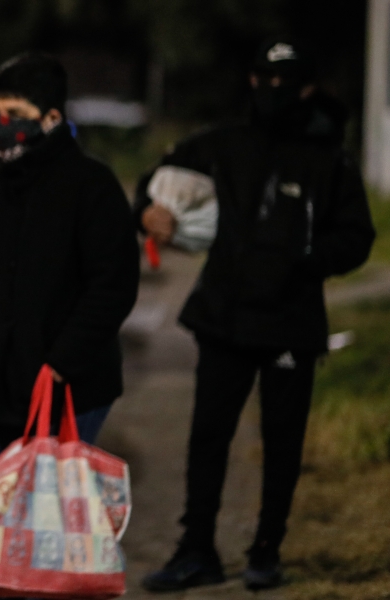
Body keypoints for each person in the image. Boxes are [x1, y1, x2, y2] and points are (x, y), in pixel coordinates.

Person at [136, 37, 375, 592]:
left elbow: (357, 236)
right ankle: (196, 550)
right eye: (262, 80)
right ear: (250, 81)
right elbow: (157, 184)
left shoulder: (329, 159)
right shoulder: (222, 145)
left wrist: (304, 260)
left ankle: (266, 550)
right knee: (207, 439)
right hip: (223, 318)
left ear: (308, 89)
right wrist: (147, 212)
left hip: (291, 322)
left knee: (283, 441)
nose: (271, 92)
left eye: (284, 84)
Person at [0, 53, 140, 567]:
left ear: (51, 118)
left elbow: (112, 285)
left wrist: (61, 361)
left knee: (44, 529)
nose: (1, 125)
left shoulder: (92, 187)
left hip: (67, 387)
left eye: (15, 113)